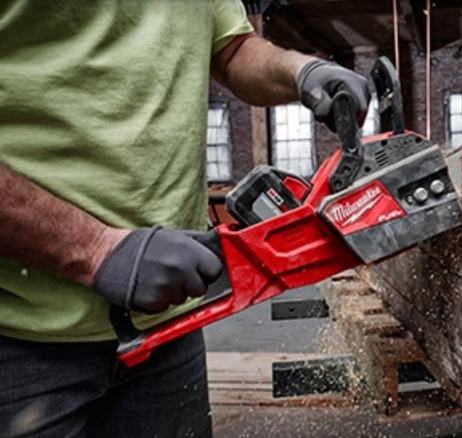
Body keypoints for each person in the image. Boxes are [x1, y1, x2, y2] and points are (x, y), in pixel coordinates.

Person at [0, 1, 370, 436]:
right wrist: (94, 249)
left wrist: (301, 71)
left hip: (169, 324)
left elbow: (232, 51)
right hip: (21, 338)